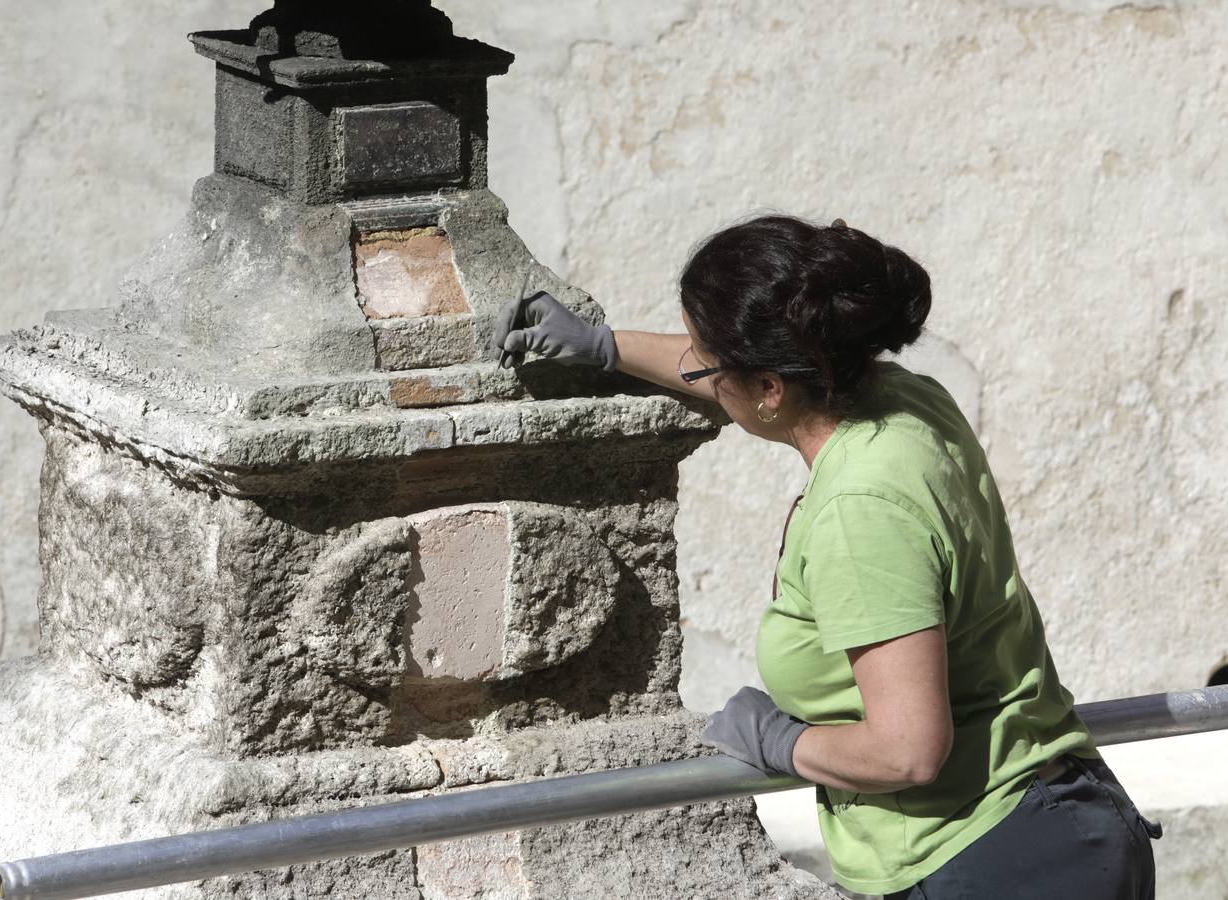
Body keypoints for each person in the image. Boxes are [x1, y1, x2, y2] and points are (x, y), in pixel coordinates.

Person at [490, 215, 1161, 899]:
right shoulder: (902, 399)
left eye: (705, 357)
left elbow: (908, 749)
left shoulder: (860, 508)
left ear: (770, 388)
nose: (695, 367)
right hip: (1061, 823)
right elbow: (734, 372)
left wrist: (781, 743)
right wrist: (604, 347)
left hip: (995, 862)